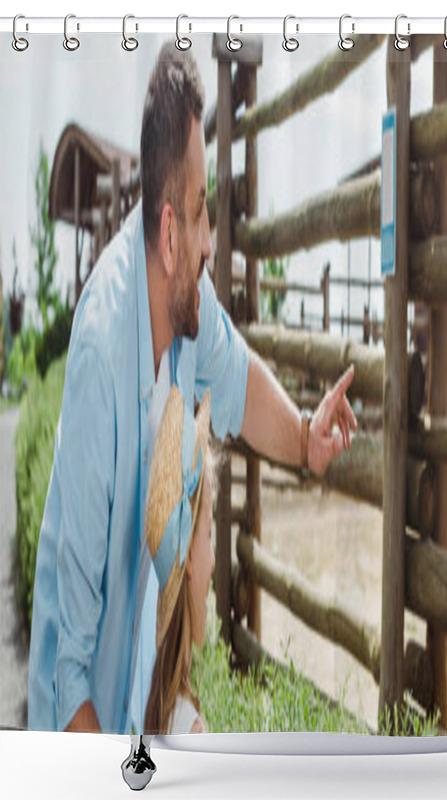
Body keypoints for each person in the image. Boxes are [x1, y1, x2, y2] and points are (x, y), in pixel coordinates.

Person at [27, 41, 357, 734]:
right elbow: (68, 673)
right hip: (83, 737)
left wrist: (305, 437)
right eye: (203, 213)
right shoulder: (99, 354)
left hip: (142, 709)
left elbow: (239, 380)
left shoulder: (187, 301)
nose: (214, 239)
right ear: (170, 233)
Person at [143, 386, 215, 735]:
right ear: (188, 555)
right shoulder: (191, 731)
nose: (215, 561)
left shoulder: (158, 707)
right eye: (210, 536)